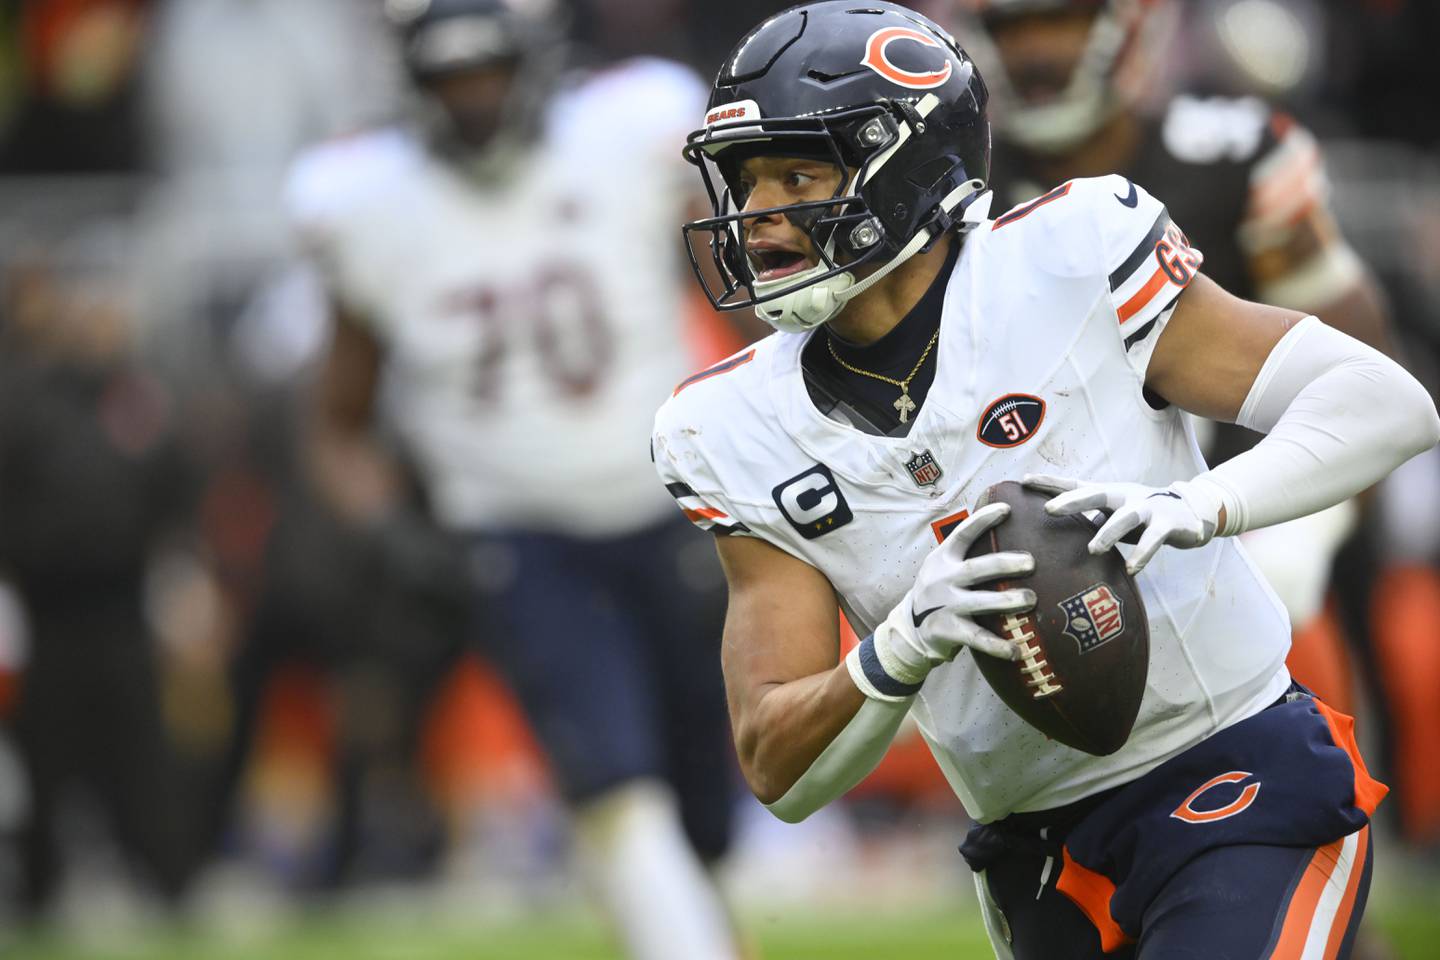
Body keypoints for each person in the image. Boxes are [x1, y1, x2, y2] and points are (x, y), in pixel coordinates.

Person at [654, 2, 1439, 957]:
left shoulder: (1070, 251)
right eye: (744, 182)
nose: (760, 215)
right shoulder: (725, 425)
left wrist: (1197, 507)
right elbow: (780, 768)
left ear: (905, 165)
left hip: (1235, 771)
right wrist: (897, 651)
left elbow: (1385, 401)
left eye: (798, 172)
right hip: (1039, 853)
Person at [288, 1, 742, 957]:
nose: (474, 102)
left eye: (488, 74)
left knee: (713, 794)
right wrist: (388, 530)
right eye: (450, 83)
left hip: (676, 507)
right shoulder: (366, 201)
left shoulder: (632, 131)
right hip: (515, 535)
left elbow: (743, 296)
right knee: (614, 784)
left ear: (536, 62)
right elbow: (337, 421)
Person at [955, 0, 1391, 713]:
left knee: (1340, 686)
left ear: (1127, 24)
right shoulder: (964, 190)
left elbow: (1369, 375)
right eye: (1013, 29)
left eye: (1058, 23)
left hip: (1251, 500)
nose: (1035, 52)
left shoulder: (1230, 153)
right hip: (1074, 543)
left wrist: (1302, 531)